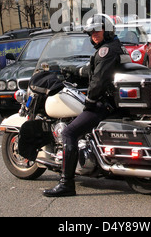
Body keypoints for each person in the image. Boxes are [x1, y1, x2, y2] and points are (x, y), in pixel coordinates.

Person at [43, 14, 131, 197]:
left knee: (68, 132)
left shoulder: (106, 51)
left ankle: (66, 183)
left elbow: (99, 81)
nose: (93, 35)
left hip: (103, 104)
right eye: (90, 33)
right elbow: (96, 70)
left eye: (97, 31)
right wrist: (72, 71)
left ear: (107, 31)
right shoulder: (115, 47)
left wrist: (89, 102)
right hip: (114, 102)